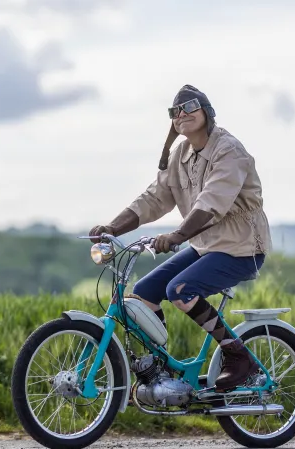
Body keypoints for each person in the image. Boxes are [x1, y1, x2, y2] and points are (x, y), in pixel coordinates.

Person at [89, 84, 272, 392]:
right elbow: (154, 198)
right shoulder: (181, 154)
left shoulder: (229, 150)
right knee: (144, 292)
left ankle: (238, 357)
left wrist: (177, 235)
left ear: (207, 112)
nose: (182, 114)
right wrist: (112, 228)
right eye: (175, 111)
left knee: (180, 290)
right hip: (205, 246)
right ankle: (162, 374)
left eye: (189, 107)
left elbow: (212, 202)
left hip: (242, 247)